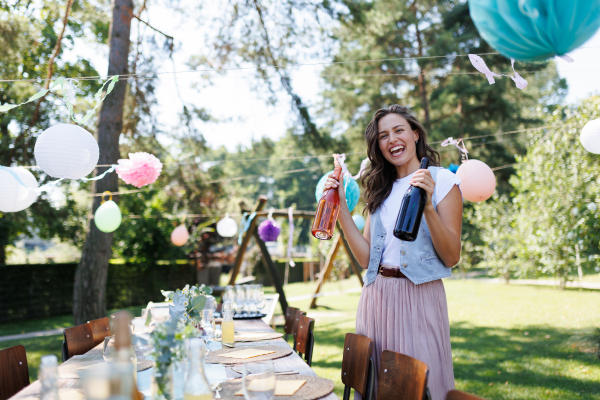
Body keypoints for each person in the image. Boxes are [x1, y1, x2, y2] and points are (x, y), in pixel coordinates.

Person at [323, 105, 462, 400]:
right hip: (376, 297)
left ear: (414, 134)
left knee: (417, 383)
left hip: (419, 296)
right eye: (383, 136)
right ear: (379, 147)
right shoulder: (380, 190)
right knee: (375, 386)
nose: (392, 140)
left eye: (398, 130)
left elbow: (451, 256)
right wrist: (340, 209)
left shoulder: (442, 181)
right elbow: (365, 259)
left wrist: (426, 206)